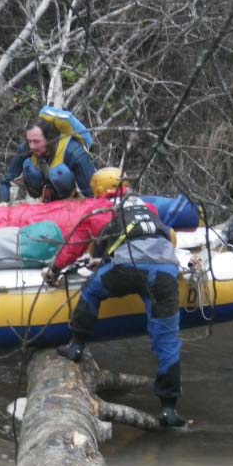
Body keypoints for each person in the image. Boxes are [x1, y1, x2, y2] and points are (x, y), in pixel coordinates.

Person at [50, 168, 187, 428]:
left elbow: (77, 247)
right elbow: (162, 235)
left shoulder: (98, 209)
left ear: (99, 189)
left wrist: (55, 270)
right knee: (168, 342)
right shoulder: (148, 207)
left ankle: (76, 345)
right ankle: (169, 409)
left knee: (92, 290)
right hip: (165, 271)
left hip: (129, 268)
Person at [0, 118, 96, 203]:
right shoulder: (26, 148)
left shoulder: (73, 152)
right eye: (29, 141)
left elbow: (91, 193)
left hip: (73, 198)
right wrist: (3, 202)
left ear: (49, 139)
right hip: (40, 199)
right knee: (30, 168)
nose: (32, 146)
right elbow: (6, 181)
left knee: (60, 174)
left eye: (36, 141)